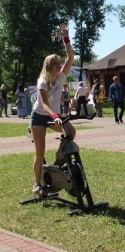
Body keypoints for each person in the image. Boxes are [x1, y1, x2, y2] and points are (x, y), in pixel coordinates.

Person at [30, 23, 75, 197]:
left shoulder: (61, 76)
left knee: (71, 131)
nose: (59, 65)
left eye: (59, 62)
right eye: (56, 63)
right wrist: (55, 115)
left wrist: (66, 39)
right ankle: (36, 184)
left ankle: (59, 157)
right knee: (40, 153)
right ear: (49, 66)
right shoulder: (42, 81)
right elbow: (44, 103)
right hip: (40, 117)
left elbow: (70, 57)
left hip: (53, 116)